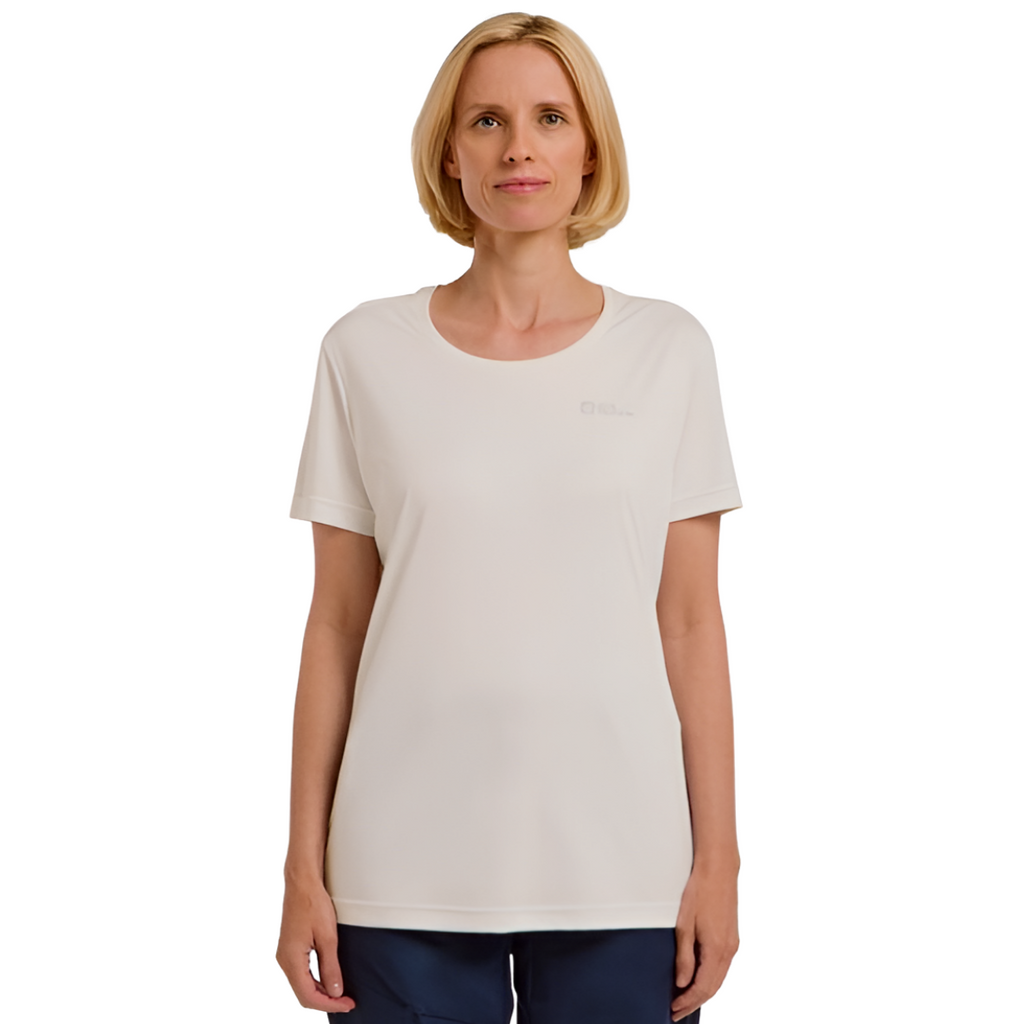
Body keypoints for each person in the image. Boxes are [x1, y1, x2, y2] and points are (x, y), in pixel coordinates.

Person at [276, 13, 742, 1024]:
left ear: (591, 149)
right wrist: (302, 868)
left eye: (550, 118)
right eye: (486, 120)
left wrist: (720, 862)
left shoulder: (669, 351)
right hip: (398, 870)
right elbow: (337, 623)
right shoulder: (364, 351)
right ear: (450, 152)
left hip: (625, 868)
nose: (518, 147)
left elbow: (690, 623)